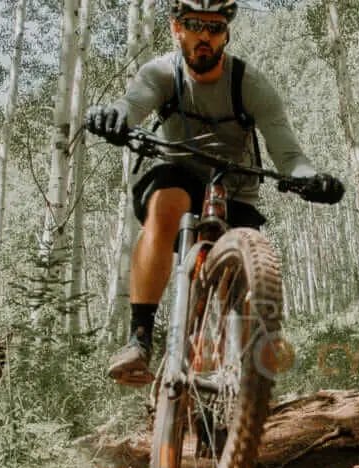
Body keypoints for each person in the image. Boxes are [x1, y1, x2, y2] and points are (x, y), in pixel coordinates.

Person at [85, 0, 344, 385]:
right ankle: (139, 338)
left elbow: (289, 155)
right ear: (176, 29)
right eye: (194, 25)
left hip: (235, 189)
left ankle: (242, 374)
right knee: (168, 201)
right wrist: (115, 117)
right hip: (179, 174)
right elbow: (132, 104)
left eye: (215, 27)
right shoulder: (161, 72)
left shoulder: (251, 84)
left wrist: (312, 178)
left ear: (227, 34)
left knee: (245, 273)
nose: (204, 36)